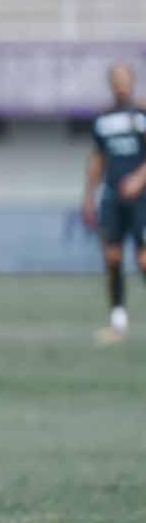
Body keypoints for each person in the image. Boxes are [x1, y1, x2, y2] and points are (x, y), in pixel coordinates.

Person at [80, 62, 146, 345]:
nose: (121, 83)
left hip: (141, 198)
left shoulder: (142, 115)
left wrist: (139, 180)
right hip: (111, 197)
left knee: (144, 259)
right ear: (110, 83)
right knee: (112, 257)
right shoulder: (103, 119)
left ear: (132, 81)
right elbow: (97, 159)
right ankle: (117, 322)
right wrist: (88, 196)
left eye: (125, 78)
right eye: (116, 79)